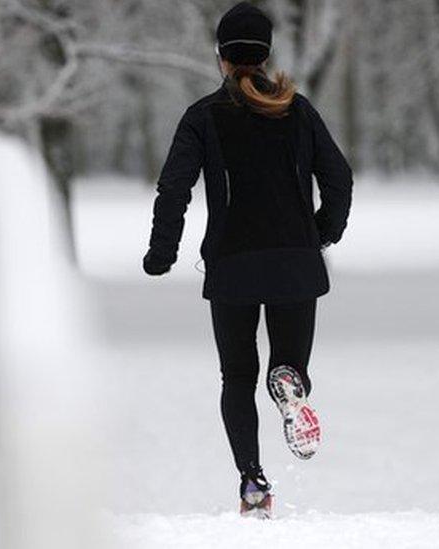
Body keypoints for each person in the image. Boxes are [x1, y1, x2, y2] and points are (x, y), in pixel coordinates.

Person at [142, 1, 353, 519]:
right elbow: (339, 178)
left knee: (237, 377)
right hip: (295, 264)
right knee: (288, 365)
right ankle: (289, 382)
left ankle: (253, 482)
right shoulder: (298, 110)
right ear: (265, 55)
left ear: (221, 58)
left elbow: (174, 188)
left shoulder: (203, 117)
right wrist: (321, 232)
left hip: (233, 266)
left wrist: (162, 251)